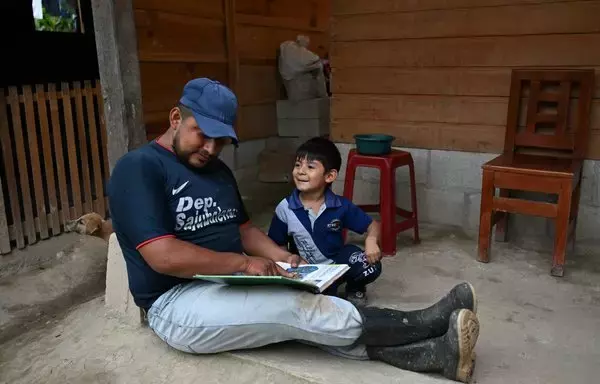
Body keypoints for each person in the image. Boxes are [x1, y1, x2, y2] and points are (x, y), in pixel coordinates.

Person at [107, 78, 481, 383]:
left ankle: (436, 356)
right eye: (201, 134)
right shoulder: (139, 168)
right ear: (175, 117)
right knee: (293, 309)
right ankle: (422, 323)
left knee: (307, 313)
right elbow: (163, 255)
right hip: (176, 302)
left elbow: (244, 230)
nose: (210, 148)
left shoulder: (216, 172)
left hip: (225, 282)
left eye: (220, 141)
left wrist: (282, 257)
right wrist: (242, 264)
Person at [267, 137, 382, 306]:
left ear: (329, 176)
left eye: (310, 167)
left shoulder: (340, 205)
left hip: (337, 267)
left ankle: (354, 286)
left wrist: (371, 240)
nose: (301, 171)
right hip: (305, 270)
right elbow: (277, 245)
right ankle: (320, 289)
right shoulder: (285, 208)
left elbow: (373, 225)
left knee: (371, 266)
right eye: (298, 165)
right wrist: (286, 269)